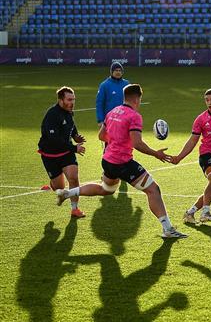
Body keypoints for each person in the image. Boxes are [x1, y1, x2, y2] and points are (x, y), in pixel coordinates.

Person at [56, 84, 187, 239]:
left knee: (106, 190)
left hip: (108, 160)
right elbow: (137, 143)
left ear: (124, 97)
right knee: (153, 190)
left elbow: (101, 136)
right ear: (138, 99)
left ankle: (67, 193)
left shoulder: (112, 112)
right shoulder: (134, 116)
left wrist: (116, 141)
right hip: (123, 163)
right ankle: (168, 229)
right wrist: (155, 154)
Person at [170, 88, 211, 224]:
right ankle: (205, 213)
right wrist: (179, 157)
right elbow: (193, 140)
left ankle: (190, 213)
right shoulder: (200, 119)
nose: (209, 103)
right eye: (207, 100)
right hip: (207, 153)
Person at [38, 86, 86, 218]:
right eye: (69, 99)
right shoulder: (52, 115)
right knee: (59, 187)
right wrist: (74, 148)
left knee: (73, 178)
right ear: (60, 100)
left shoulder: (69, 111)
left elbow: (71, 124)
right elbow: (54, 140)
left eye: (73, 99)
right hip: (50, 154)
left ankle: (74, 209)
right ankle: (53, 184)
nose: (72, 102)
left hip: (66, 153)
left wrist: (75, 136)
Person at [96, 62, 130, 126]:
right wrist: (100, 120)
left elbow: (131, 101)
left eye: (120, 70)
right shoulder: (104, 85)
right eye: (116, 70)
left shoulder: (127, 84)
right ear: (111, 72)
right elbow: (99, 103)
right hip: (110, 120)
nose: (118, 72)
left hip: (124, 119)